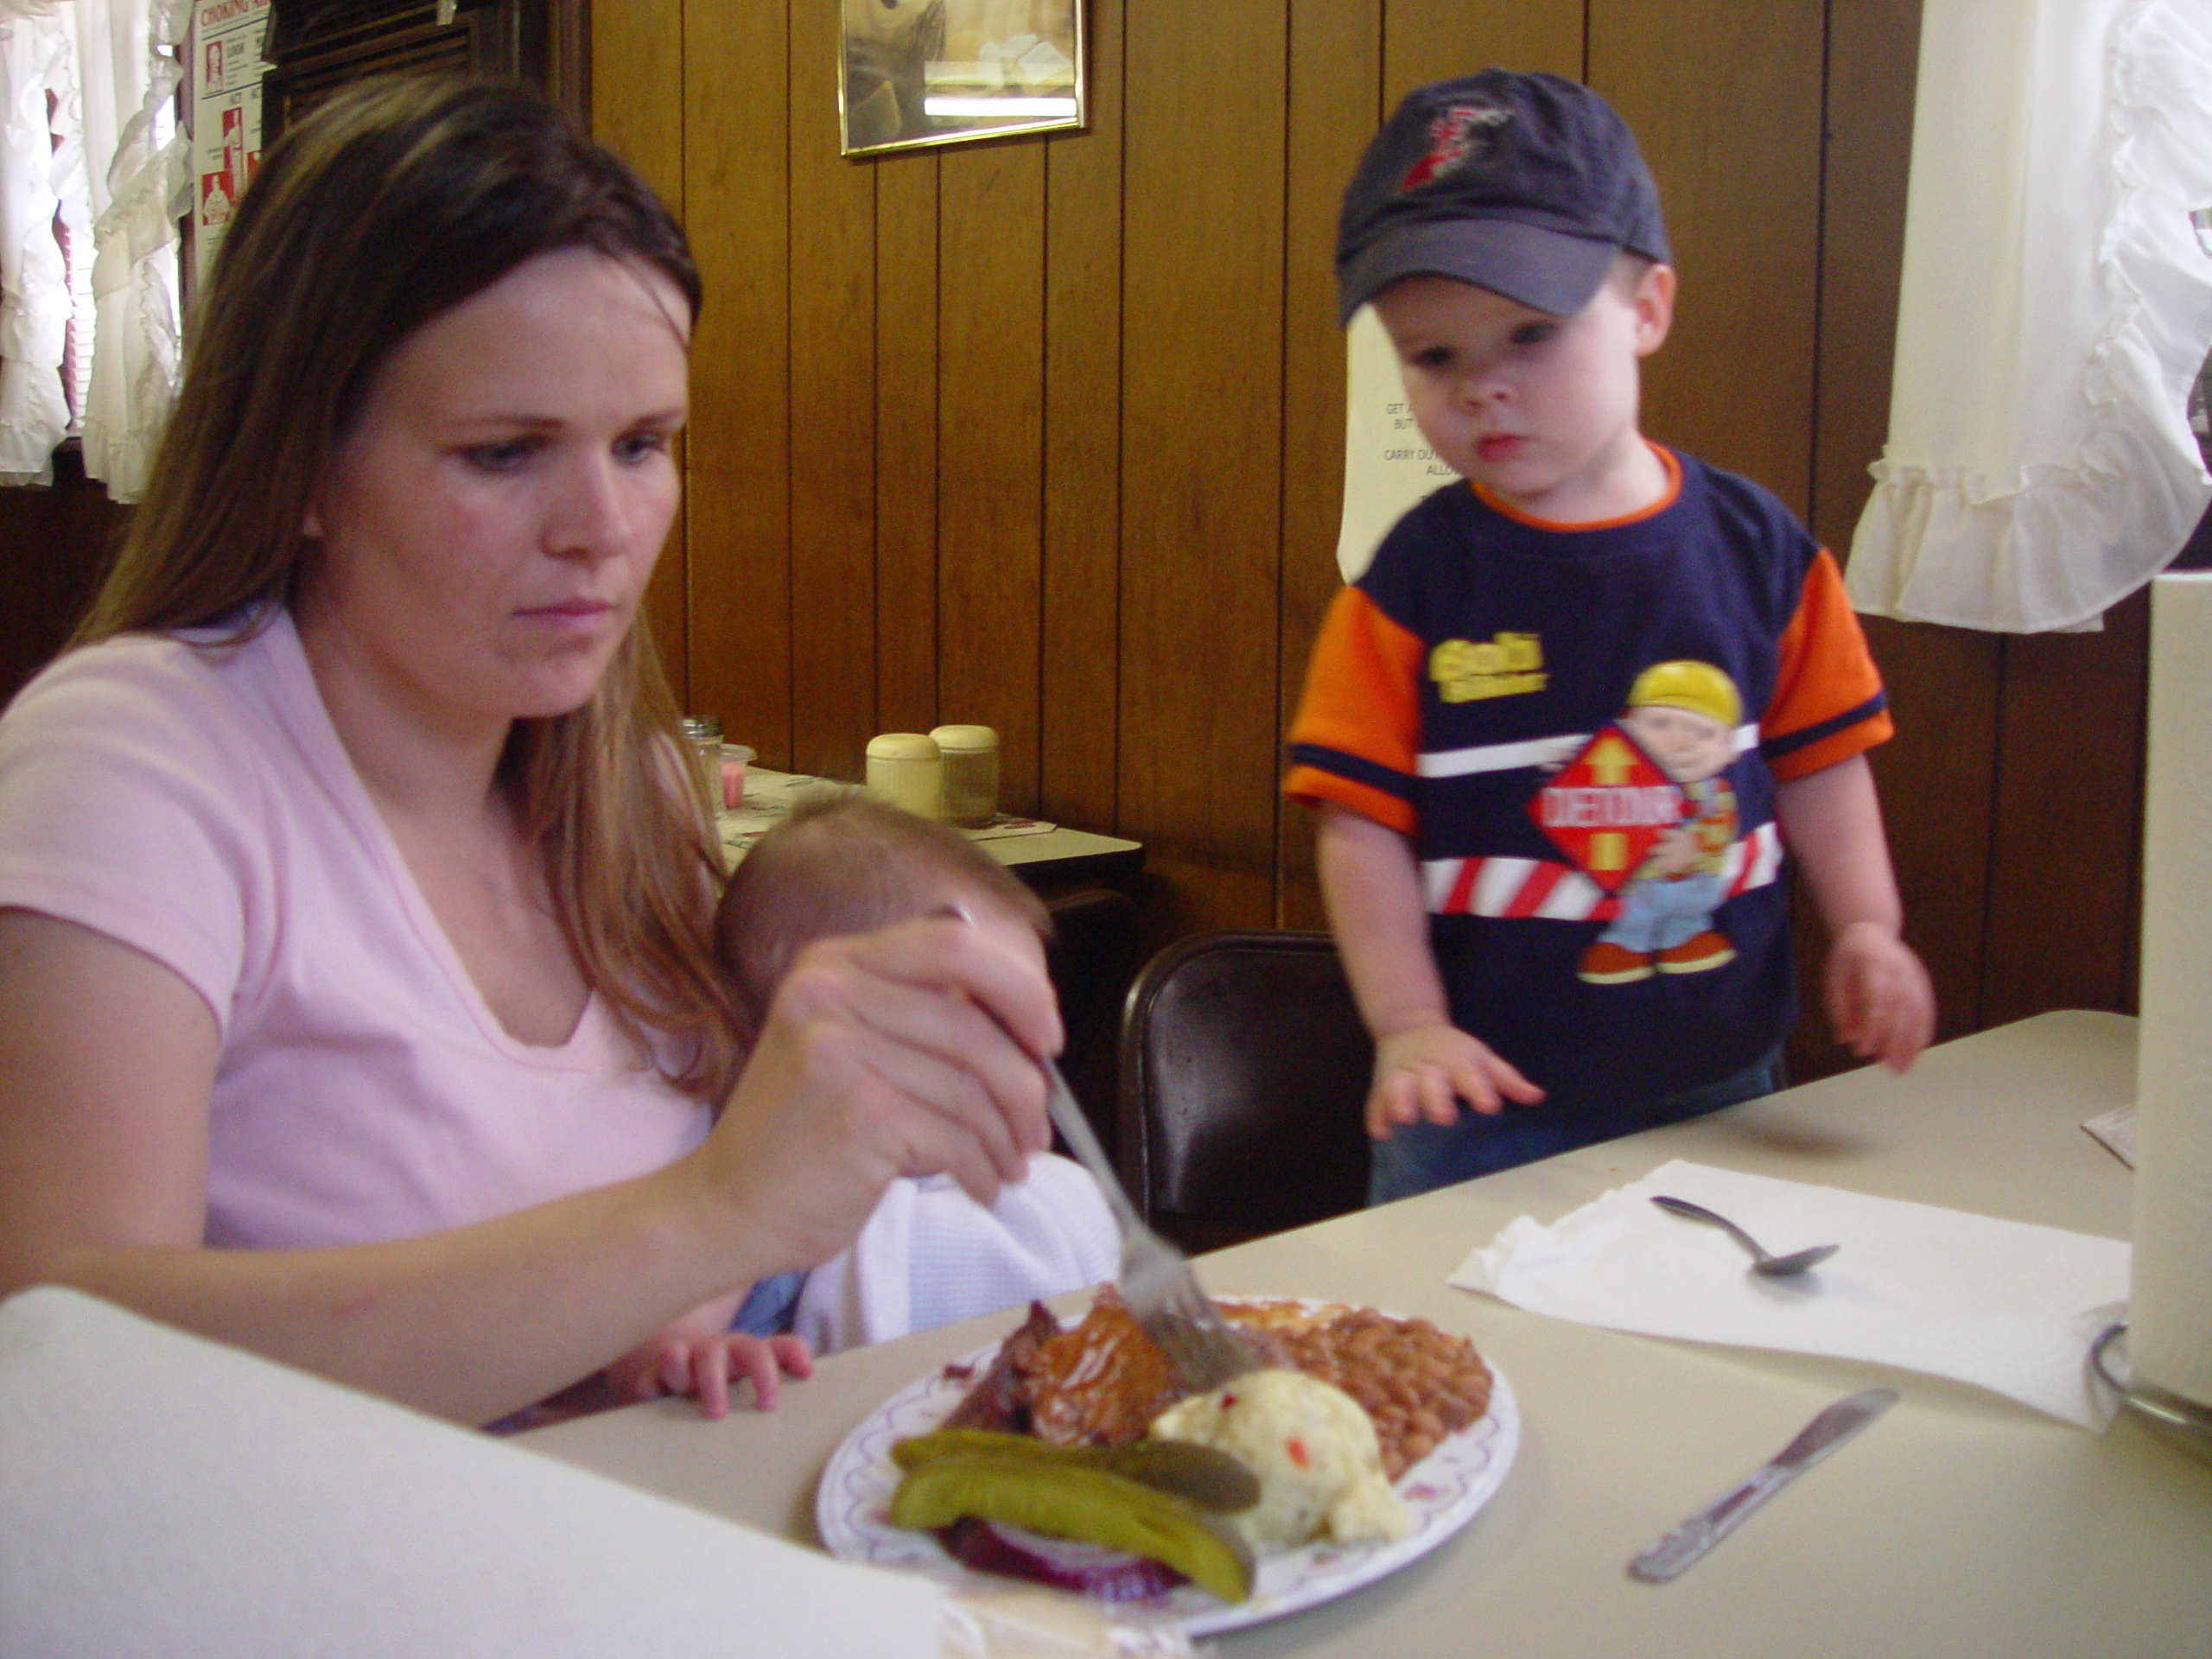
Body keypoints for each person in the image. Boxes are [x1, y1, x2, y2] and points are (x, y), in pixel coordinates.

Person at [0, 77, 1059, 1429]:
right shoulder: (136, 762)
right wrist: (716, 1211)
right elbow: (59, 1350)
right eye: (505, 454)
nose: (601, 528)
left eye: (643, 445)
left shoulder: (632, 788)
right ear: (303, 466)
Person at [1285, 70, 1937, 1203]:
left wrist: (1870, 926)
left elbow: (1823, 761)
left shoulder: (1763, 553)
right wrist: (1407, 1026)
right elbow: (1360, 830)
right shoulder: (1410, 586)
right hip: (1477, 1099)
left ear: (1647, 310)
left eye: (1530, 333)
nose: (1482, 388)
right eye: (1431, 356)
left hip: (1722, 1078)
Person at [601, 791, 1116, 1414]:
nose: (1017, 1069)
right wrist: (686, 1355)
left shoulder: (998, 1191)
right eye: (977, 1031)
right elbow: (648, 1325)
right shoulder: (756, 1181)